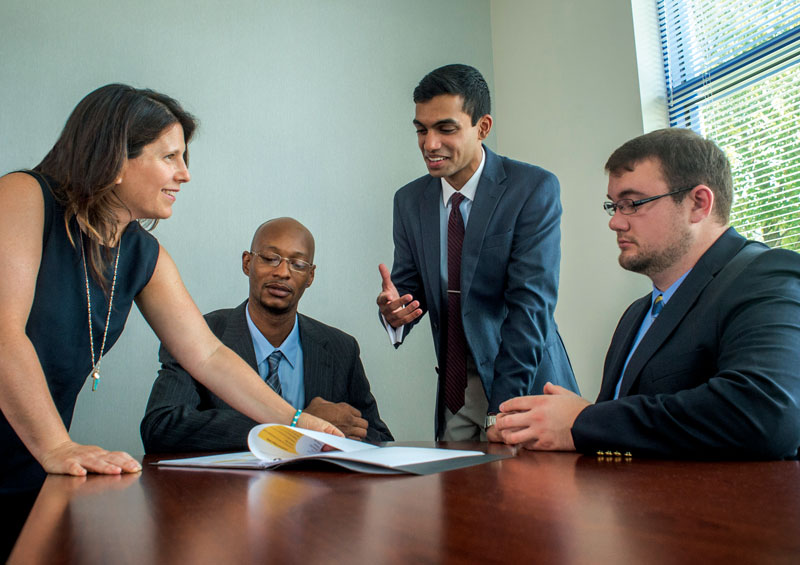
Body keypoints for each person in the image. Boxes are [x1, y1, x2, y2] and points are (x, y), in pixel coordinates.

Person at [0, 84, 339, 558]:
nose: (184, 174)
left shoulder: (143, 253)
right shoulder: (22, 196)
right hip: (45, 449)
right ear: (116, 159)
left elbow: (208, 354)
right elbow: (3, 333)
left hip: (38, 465)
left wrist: (298, 423)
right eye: (170, 157)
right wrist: (57, 445)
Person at [496, 128, 800, 459]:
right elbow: (618, 437)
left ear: (698, 203)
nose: (615, 223)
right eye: (613, 206)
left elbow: (765, 415)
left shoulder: (767, 276)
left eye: (632, 204)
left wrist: (583, 420)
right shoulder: (635, 316)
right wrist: (544, 424)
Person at [377, 64, 578, 441]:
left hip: (525, 383)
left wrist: (502, 410)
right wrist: (395, 312)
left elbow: (530, 307)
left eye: (445, 129)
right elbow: (409, 286)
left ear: (482, 127)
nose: (429, 144)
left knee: (531, 498)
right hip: (455, 390)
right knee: (458, 498)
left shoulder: (532, 188)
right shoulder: (409, 200)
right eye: (421, 130)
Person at [141, 217, 393, 451]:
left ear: (310, 276)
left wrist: (336, 433)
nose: (283, 272)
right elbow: (161, 426)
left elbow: (379, 438)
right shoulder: (199, 333)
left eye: (298, 264)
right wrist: (296, 426)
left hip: (317, 495)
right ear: (247, 262)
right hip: (227, 495)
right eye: (271, 258)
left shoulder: (341, 348)